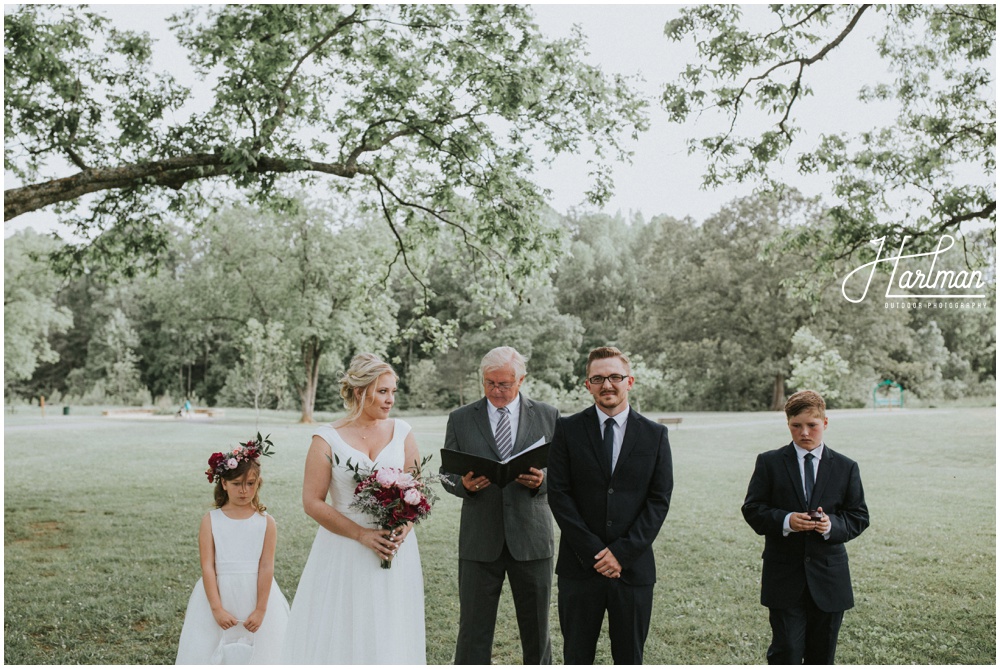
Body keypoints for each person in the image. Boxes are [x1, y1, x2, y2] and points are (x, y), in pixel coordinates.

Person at [282, 353, 425, 664]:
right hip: (343, 547)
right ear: (361, 392)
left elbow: (415, 490)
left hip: (394, 548)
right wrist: (361, 535)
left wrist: (405, 525)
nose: (390, 400)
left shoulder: (402, 431)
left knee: (390, 626)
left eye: (393, 391)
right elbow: (312, 501)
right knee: (343, 625)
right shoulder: (327, 438)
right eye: (383, 391)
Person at [547, 346, 673, 665]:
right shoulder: (567, 429)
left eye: (615, 377)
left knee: (630, 657)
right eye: (598, 378)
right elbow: (559, 494)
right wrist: (594, 552)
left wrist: (622, 553)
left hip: (633, 570)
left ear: (629, 381)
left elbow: (659, 500)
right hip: (579, 568)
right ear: (587, 384)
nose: (607, 385)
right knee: (576, 656)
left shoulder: (655, 435)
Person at [440, 346, 560, 664]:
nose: (496, 391)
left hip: (532, 540)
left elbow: (566, 471)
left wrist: (543, 480)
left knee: (537, 631)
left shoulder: (549, 415)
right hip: (480, 540)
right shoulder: (461, 418)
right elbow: (445, 473)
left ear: (521, 379)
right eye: (489, 383)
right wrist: (462, 485)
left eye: (504, 384)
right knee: (473, 632)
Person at [742, 389, 870, 664]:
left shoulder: (846, 467)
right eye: (796, 426)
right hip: (784, 577)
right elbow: (752, 509)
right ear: (787, 424)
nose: (804, 433)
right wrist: (787, 520)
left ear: (825, 423)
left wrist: (829, 525)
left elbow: (858, 516)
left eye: (812, 425)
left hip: (829, 578)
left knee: (822, 656)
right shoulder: (770, 462)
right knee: (786, 651)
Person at [176, 435, 290, 664]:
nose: (244, 491)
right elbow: (207, 566)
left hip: (255, 595)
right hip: (219, 593)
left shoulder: (266, 522)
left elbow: (267, 566)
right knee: (211, 650)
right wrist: (216, 608)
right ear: (224, 484)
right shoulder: (211, 520)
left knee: (262, 653)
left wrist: (260, 610)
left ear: (258, 483)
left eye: (250, 483)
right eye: (237, 484)